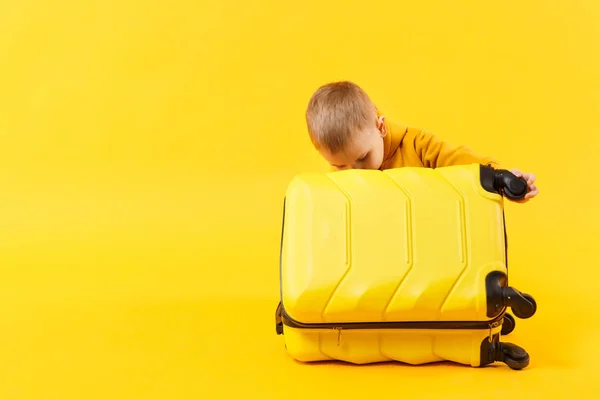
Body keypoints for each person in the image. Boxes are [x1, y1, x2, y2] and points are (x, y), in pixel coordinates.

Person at [305, 80, 538, 202]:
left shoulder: (418, 145)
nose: (355, 172)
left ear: (381, 127)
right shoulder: (341, 174)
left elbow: (461, 162)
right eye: (339, 166)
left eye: (362, 157)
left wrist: (501, 177)